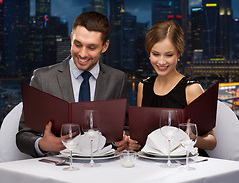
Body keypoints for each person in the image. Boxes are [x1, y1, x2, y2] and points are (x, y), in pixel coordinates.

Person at [16, 11, 128, 157]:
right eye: (78, 44)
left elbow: (125, 129)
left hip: (102, 169)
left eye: (91, 47)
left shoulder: (117, 79)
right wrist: (42, 144)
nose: (82, 54)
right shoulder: (42, 78)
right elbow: (23, 136)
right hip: (57, 170)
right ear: (71, 38)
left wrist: (122, 141)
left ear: (105, 46)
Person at [127, 20, 217, 155]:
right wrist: (131, 143)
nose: (161, 61)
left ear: (178, 54)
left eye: (169, 55)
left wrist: (193, 138)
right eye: (156, 54)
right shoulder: (143, 86)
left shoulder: (191, 89)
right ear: (149, 54)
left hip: (186, 164)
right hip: (152, 163)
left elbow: (212, 142)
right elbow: (142, 137)